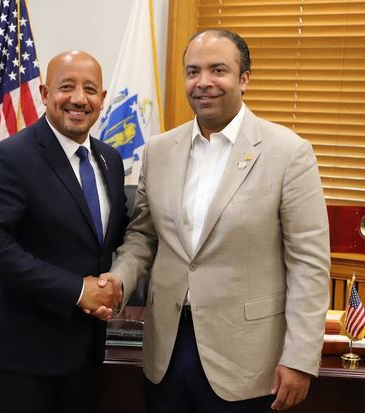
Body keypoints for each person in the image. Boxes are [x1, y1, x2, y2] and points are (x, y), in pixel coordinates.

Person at [98, 30, 330, 412]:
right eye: (193, 71)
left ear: (244, 79)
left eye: (218, 70)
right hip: (166, 351)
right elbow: (143, 235)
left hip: (247, 359)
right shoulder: (158, 150)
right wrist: (118, 279)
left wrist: (301, 357)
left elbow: (310, 264)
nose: (203, 82)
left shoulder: (289, 153)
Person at [0, 50, 126, 413]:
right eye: (66, 87)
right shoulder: (10, 157)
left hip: (85, 354)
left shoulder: (110, 161)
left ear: (102, 99)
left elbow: (111, 239)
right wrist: (77, 290)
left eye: (90, 89)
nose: (78, 98)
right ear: (44, 93)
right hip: (22, 358)